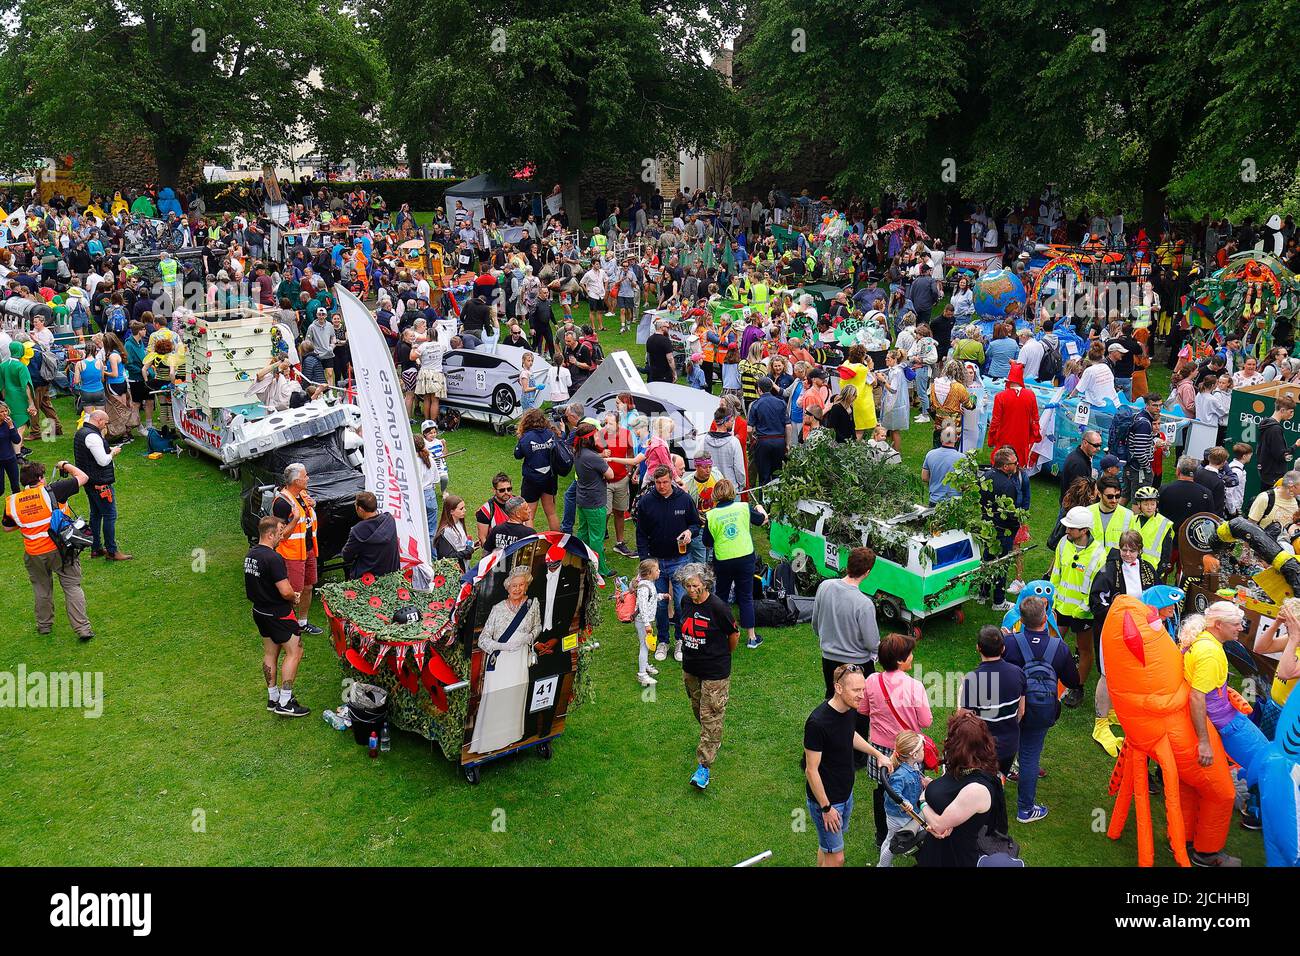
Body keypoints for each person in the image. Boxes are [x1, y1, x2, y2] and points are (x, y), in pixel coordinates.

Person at [804, 663, 896, 867]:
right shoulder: (817, 723)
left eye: (863, 689)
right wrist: (826, 808)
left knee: (827, 848)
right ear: (838, 688)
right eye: (856, 690)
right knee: (837, 858)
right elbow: (811, 771)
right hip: (828, 802)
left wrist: (877, 754)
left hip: (845, 794)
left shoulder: (849, 709)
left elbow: (849, 734)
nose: (862, 695)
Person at [1001, 596, 1081, 823]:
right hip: (1042, 711)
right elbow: (1073, 680)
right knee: (1029, 757)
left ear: (1021, 620)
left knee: (1004, 749)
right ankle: (1025, 810)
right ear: (1046, 618)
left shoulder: (1010, 643)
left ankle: (992, 796)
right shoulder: (1060, 647)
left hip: (1011, 708)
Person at [2, 458, 95, 640]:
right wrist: (64, 465)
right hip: (61, 549)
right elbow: (83, 477)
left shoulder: (13, 501)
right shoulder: (54, 491)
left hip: (34, 553)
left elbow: (6, 527)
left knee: (41, 589)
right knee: (71, 587)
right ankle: (82, 629)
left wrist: (28, 523)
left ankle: (44, 626)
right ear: (40, 477)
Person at [859, 631, 932, 847]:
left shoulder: (871, 680)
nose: (912, 657)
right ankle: (911, 833)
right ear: (900, 660)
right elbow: (926, 721)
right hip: (909, 749)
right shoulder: (915, 686)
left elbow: (863, 710)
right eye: (910, 654)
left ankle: (882, 835)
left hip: (880, 750)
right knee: (914, 790)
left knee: (884, 790)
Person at [917, 711, 1009, 867]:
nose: (946, 740)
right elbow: (950, 791)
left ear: (959, 746)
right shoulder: (964, 767)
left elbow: (939, 826)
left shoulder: (976, 790)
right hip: (936, 848)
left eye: (951, 738)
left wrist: (923, 800)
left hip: (954, 857)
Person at [676, 562, 739, 790]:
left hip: (715, 671)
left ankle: (704, 767)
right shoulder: (685, 601)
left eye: (694, 585)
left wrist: (722, 655)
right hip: (691, 668)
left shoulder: (718, 608)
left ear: (705, 583)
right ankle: (713, 736)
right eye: (687, 585)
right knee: (699, 711)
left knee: (711, 715)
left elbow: (733, 635)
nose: (690, 590)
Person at [469, 566, 542, 755]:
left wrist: (528, 638)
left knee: (515, 697)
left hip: (519, 660)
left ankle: (511, 736)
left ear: (526, 586)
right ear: (508, 587)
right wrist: (502, 647)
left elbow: (538, 627)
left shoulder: (532, 605)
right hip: (500, 662)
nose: (517, 589)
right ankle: (489, 742)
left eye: (521, 585)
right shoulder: (498, 608)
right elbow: (483, 639)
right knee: (496, 698)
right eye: (514, 586)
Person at [636, 463, 703, 662]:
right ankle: (663, 640)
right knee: (661, 605)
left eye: (665, 482)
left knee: (682, 602)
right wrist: (645, 561)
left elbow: (696, 523)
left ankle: (680, 639)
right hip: (656, 563)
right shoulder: (646, 502)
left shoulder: (684, 499)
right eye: (658, 482)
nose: (662, 486)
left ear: (672, 480)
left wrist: (690, 532)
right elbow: (640, 534)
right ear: (654, 482)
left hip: (681, 560)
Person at [245, 515, 309, 717]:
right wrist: (295, 597)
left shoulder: (251, 554)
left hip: (259, 611)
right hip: (278, 613)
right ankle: (286, 701)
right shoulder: (273, 558)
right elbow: (285, 590)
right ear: (270, 534)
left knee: (270, 653)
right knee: (295, 652)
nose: (282, 535)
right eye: (280, 531)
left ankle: (273, 697)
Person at [1049, 505, 1106, 709]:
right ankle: (1045, 681)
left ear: (1084, 531)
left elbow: (1097, 587)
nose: (1066, 531)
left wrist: (1085, 608)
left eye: (1071, 529)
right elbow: (1057, 572)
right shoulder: (1064, 543)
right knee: (1051, 644)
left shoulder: (1099, 554)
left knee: (1084, 650)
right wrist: (1051, 598)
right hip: (1061, 606)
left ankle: (1077, 687)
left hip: (1084, 613)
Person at [704, 478, 768, 649]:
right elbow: (763, 520)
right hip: (745, 557)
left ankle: (722, 633)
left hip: (723, 560)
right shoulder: (743, 507)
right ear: (733, 492)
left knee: (721, 596)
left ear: (715, 495)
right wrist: (761, 510)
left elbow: (707, 542)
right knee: (745, 596)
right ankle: (752, 638)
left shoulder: (711, 515)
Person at [959, 626, 1026, 777]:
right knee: (999, 779)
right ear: (1003, 648)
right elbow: (1021, 711)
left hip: (983, 747)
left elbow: (964, 717)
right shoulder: (1018, 672)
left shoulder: (973, 679)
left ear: (978, 648)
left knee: (984, 784)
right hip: (1010, 744)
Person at [73, 409, 131, 561]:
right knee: (110, 515)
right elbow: (103, 461)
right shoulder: (93, 436)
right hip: (100, 483)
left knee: (96, 514)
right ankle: (112, 551)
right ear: (98, 420)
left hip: (89, 481)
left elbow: (90, 455)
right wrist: (113, 453)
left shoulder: (81, 432)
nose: (106, 425)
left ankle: (96, 548)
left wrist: (107, 449)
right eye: (105, 423)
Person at [270, 463, 322, 635]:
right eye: (305, 476)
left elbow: (307, 520)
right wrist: (295, 519)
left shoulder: (303, 494)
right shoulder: (282, 504)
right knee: (293, 593)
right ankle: (286, 625)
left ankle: (302, 622)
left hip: (307, 551)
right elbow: (280, 536)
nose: (308, 478)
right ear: (296, 481)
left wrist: (312, 504)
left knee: (308, 588)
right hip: (292, 555)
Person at [983, 446, 1026, 612]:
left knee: (987, 560)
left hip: (987, 528)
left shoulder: (986, 476)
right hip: (1003, 530)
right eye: (1015, 463)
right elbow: (1010, 514)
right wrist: (1016, 526)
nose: (1017, 466)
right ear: (1005, 466)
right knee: (1001, 565)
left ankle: (983, 593)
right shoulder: (1008, 485)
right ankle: (999, 601)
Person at [877, 732, 928, 867]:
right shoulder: (901, 775)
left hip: (903, 814)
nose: (924, 750)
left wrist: (922, 782)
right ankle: (883, 865)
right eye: (922, 749)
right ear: (914, 755)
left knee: (889, 839)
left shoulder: (912, 767)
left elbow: (912, 782)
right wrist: (904, 801)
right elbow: (892, 793)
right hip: (899, 816)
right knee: (892, 844)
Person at [572, 422, 615, 575]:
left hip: (582, 500)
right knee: (597, 537)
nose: (598, 437)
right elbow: (611, 474)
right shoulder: (593, 457)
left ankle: (580, 561)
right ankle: (600, 569)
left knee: (583, 532)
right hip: (595, 502)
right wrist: (602, 460)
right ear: (589, 439)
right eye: (596, 435)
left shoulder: (578, 452)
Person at [514, 408, 559, 531]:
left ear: (527, 420)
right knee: (551, 513)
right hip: (550, 478)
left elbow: (517, 455)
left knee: (529, 515)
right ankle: (558, 544)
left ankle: (529, 546)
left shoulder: (526, 437)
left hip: (532, 479)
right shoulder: (551, 433)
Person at [339, 491, 400, 580]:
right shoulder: (389, 519)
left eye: (355, 505)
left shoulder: (357, 531)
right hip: (392, 575)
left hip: (368, 580)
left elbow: (346, 556)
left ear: (360, 509)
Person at [747, 375, 789, 486]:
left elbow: (749, 429)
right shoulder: (781, 403)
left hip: (763, 441)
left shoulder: (755, 404)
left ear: (759, 389)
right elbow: (788, 426)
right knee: (777, 473)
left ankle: (763, 501)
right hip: (779, 441)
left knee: (764, 475)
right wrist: (787, 444)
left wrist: (752, 439)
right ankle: (776, 499)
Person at [1122, 394, 1163, 503]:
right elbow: (1140, 452)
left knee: (1125, 496)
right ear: (1147, 406)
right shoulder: (1144, 423)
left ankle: (1113, 518)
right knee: (1139, 502)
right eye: (1154, 405)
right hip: (1138, 468)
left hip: (1130, 464)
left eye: (1160, 405)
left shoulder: (1138, 416)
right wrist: (1148, 468)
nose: (1158, 408)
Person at [1158, 455, 1216, 531]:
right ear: (1195, 473)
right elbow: (1209, 518)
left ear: (1178, 471)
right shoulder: (1206, 493)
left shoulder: (1164, 489)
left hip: (1168, 534)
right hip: (1192, 537)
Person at [632, 558, 665, 687]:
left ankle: (645, 665)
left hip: (646, 620)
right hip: (642, 621)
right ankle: (642, 674)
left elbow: (652, 598)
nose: (659, 571)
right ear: (649, 573)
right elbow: (643, 606)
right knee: (644, 646)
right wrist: (646, 624)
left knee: (645, 644)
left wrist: (662, 596)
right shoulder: (644, 587)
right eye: (657, 570)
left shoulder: (649, 583)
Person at [1130, 486, 1174, 579]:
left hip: (1153, 570)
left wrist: (1159, 572)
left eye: (1152, 504)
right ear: (1139, 504)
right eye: (1146, 504)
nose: (1149, 507)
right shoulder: (1131, 520)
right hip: (1131, 568)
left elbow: (1167, 552)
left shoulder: (1164, 523)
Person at [1255, 394, 1293, 490]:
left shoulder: (1268, 425)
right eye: (1291, 411)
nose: (1291, 414)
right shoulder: (1275, 429)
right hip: (1273, 476)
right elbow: (1281, 455)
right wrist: (1295, 446)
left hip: (1267, 473)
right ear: (1282, 410)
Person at [1087, 474, 1133, 550]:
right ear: (1099, 494)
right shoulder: (1087, 513)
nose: (1114, 500)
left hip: (1117, 561)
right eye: (1110, 496)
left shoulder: (1129, 515)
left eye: (1117, 496)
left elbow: (1133, 544)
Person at [921, 426, 963, 503]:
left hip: (935, 501)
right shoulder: (962, 458)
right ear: (956, 439)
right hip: (955, 504)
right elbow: (965, 483)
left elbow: (924, 478)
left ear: (941, 438)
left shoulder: (930, 454)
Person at [435, 494, 477, 571]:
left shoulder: (458, 523)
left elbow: (460, 546)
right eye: (461, 509)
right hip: (454, 572)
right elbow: (447, 557)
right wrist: (468, 551)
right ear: (451, 511)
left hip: (463, 565)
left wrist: (471, 546)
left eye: (464, 507)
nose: (465, 510)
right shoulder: (446, 532)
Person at [475, 471, 514, 546]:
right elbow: (482, 538)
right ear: (494, 490)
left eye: (509, 489)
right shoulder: (485, 510)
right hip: (496, 551)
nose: (506, 492)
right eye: (502, 490)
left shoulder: (519, 503)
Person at [1061, 430, 1100, 502]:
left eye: (1100, 445)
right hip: (1073, 506)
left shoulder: (1080, 455)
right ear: (1085, 443)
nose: (1098, 449)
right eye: (1095, 445)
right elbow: (1079, 493)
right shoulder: (1079, 464)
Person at [1194, 446, 1230, 517]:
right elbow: (1217, 507)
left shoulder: (1197, 472)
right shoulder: (1219, 482)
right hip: (1207, 517)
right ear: (1223, 462)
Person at [645, 317, 676, 383]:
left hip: (653, 373)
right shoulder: (665, 340)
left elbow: (648, 356)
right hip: (664, 373)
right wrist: (674, 373)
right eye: (667, 327)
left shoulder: (649, 339)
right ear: (661, 327)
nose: (668, 329)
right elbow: (670, 359)